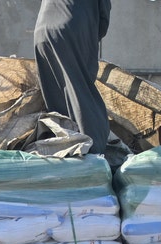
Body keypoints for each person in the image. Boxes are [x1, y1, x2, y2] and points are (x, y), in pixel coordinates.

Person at [34, 0, 112, 152]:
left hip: (42, 32)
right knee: (82, 93)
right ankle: (93, 150)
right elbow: (104, 16)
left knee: (54, 96)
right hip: (69, 29)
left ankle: (59, 146)